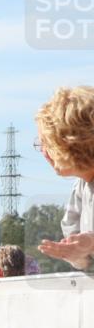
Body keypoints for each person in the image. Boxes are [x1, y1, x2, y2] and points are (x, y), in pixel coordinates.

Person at [35, 86, 94, 270]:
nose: (43, 152)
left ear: (71, 143)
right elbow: (84, 263)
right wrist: (77, 255)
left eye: (46, 143)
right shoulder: (80, 187)